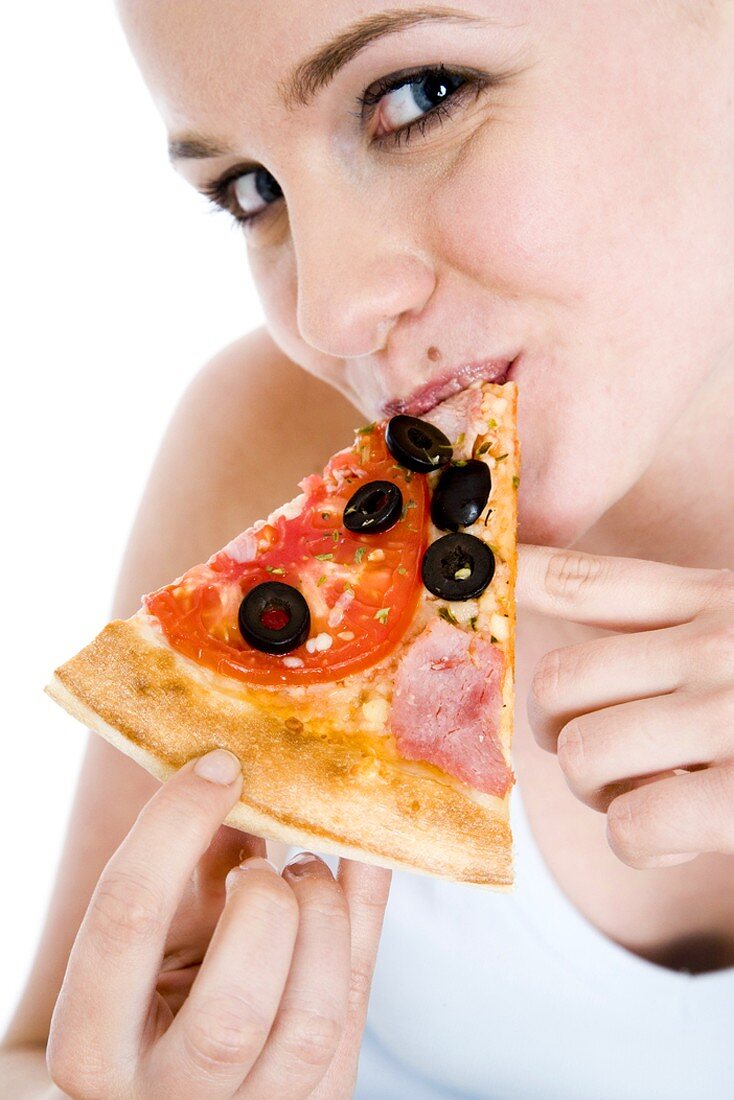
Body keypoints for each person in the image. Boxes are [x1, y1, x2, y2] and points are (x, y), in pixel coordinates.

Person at [2, 1, 734, 1097]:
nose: (329, 312)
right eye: (251, 190)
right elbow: (36, 1057)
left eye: (418, 94)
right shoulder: (271, 441)